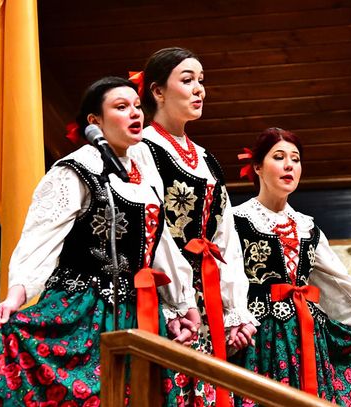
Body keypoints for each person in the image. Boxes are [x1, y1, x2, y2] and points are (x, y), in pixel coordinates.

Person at [0, 76, 198, 405]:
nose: (135, 113)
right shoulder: (75, 170)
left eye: (137, 106)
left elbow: (160, 246)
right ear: (95, 121)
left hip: (139, 312)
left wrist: (181, 304)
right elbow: (40, 239)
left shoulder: (145, 176)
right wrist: (15, 296)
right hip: (84, 310)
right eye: (121, 107)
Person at [231, 127, 351, 406]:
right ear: (257, 167)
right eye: (279, 157)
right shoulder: (236, 220)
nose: (289, 165)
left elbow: (339, 281)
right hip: (261, 337)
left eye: (295, 159)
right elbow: (226, 276)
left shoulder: (307, 227)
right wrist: (234, 320)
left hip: (308, 336)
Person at [133, 47, 258, 407]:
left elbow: (226, 239)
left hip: (207, 296)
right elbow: (152, 229)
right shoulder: (142, 150)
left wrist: (235, 311)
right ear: (158, 91)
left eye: (201, 80)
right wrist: (177, 301)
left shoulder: (207, 159)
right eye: (187, 80)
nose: (199, 89)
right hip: (162, 294)